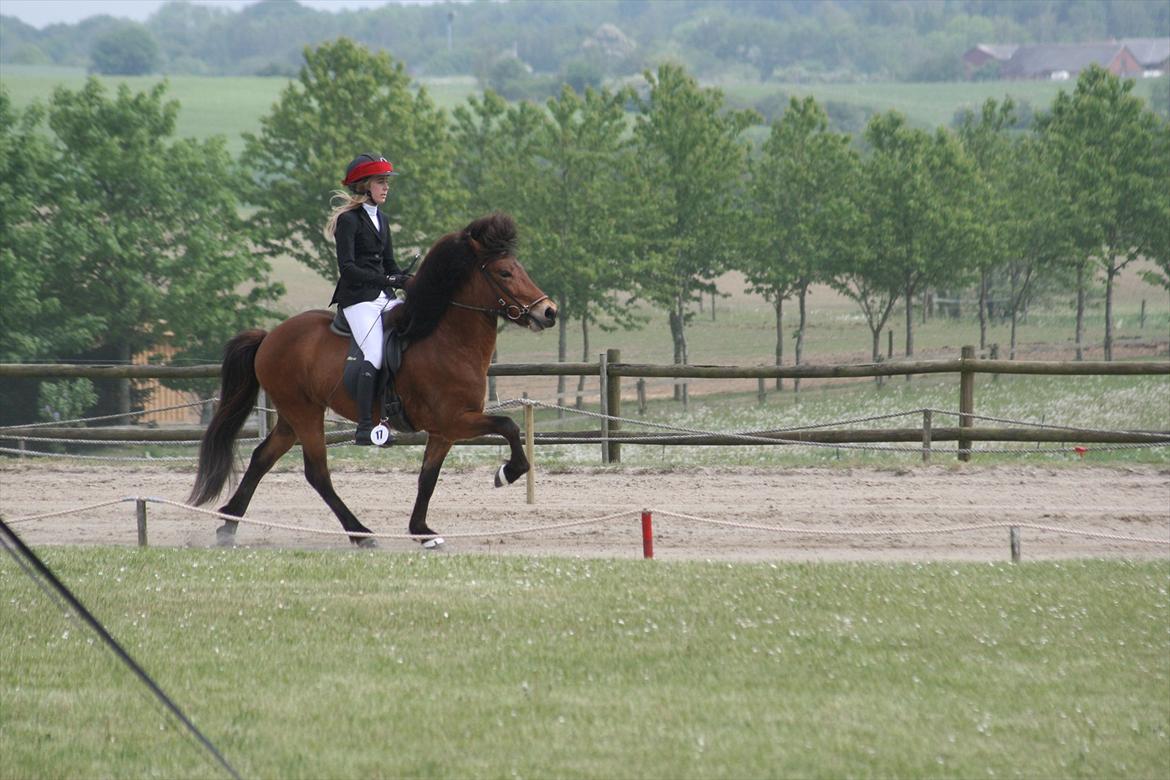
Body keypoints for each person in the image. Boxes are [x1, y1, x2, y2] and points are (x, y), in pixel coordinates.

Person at [323, 153, 408, 445]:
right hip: (358, 299)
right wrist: (387, 280)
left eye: (387, 182)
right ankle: (364, 426)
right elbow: (347, 268)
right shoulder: (349, 221)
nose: (386, 187)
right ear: (364, 186)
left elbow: (390, 263)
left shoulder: (382, 218)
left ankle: (397, 407)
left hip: (383, 296)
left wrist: (408, 280)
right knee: (374, 353)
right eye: (380, 182)